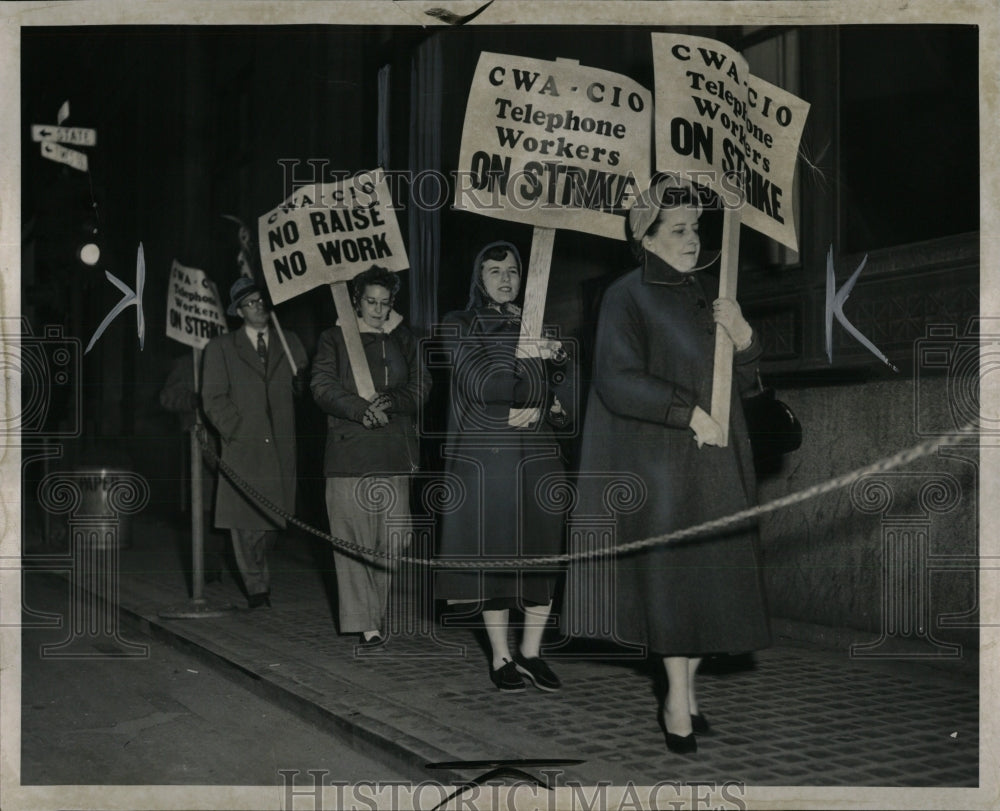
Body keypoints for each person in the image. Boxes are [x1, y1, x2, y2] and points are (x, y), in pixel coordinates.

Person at [573, 176, 770, 754]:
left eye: (696, 228)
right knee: (676, 588)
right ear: (647, 237)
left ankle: (684, 689)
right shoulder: (626, 295)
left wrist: (744, 334)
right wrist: (686, 414)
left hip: (717, 463)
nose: (692, 238)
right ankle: (677, 700)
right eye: (678, 229)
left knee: (713, 585)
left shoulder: (710, 292)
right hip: (663, 465)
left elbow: (750, 382)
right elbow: (615, 380)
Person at [436, 241, 574, 692]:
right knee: (494, 557)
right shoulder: (459, 325)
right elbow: (487, 383)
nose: (505, 278)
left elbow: (567, 401)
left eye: (512, 269)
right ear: (479, 277)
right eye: (493, 270)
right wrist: (536, 364)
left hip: (538, 459)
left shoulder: (540, 325)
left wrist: (556, 396)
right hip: (489, 462)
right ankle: (501, 656)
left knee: (541, 552)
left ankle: (532, 652)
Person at [310, 266, 429, 645]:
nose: (377, 310)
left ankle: (372, 612)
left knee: (394, 540)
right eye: (370, 302)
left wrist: (393, 401)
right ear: (356, 302)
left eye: (384, 303)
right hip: (350, 456)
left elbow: (422, 385)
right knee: (353, 541)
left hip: (395, 453)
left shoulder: (403, 340)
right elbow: (322, 386)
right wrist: (359, 409)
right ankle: (366, 623)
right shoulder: (334, 338)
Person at [201, 277, 309, 609]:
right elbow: (213, 398)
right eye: (251, 303)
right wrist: (236, 430)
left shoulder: (289, 342)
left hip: (280, 447)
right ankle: (257, 588)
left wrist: (301, 385)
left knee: (272, 521)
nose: (259, 307)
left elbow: (304, 389)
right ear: (238, 312)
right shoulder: (220, 348)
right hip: (244, 446)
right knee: (245, 523)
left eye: (262, 301)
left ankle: (258, 573)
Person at [159, 352, 226, 584]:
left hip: (235, 441)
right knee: (207, 507)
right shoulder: (189, 362)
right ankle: (209, 569)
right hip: (202, 442)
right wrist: (192, 400)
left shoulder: (233, 355)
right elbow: (167, 397)